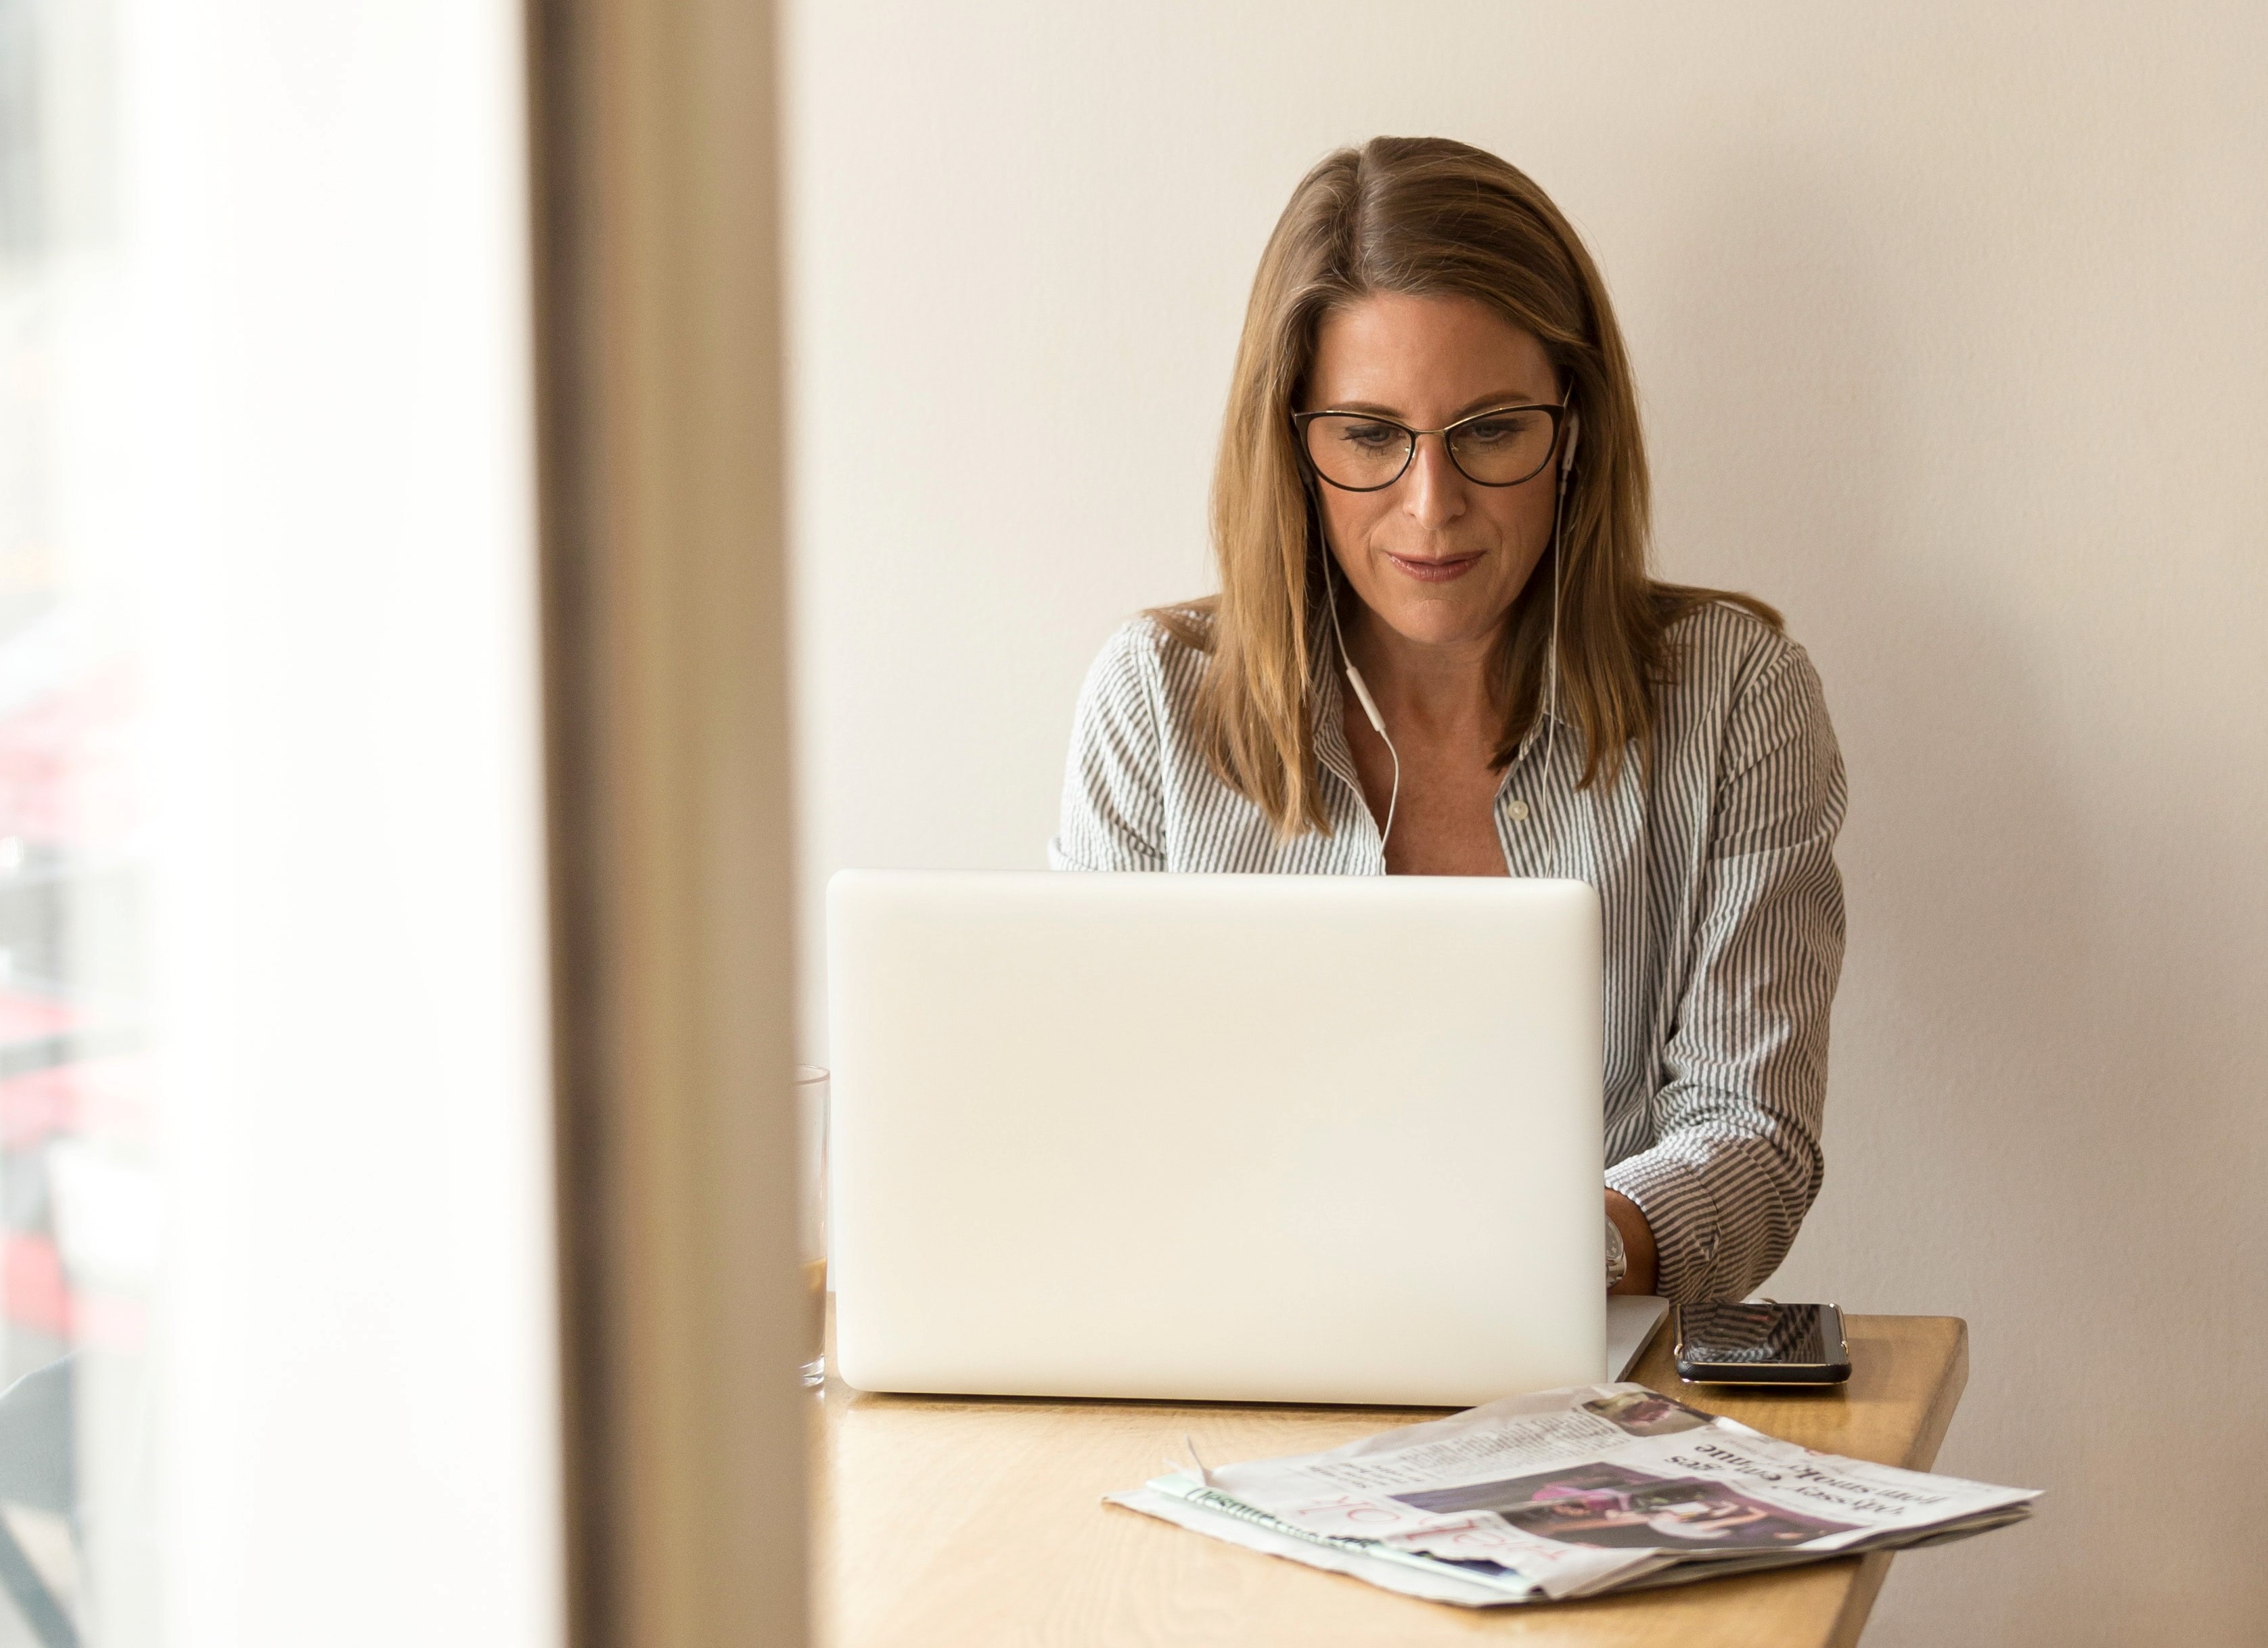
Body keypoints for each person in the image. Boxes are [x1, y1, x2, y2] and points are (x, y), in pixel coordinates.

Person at [1047, 136, 1845, 1304]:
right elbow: (1093, 1126)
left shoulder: (1735, 697)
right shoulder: (1155, 703)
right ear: (1293, 444)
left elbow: (1754, 1139)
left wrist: (1542, 1262)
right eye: (1370, 437)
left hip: (1592, 1386)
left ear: (1573, 427)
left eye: (1490, 431)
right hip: (1229, 1367)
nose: (1433, 507)